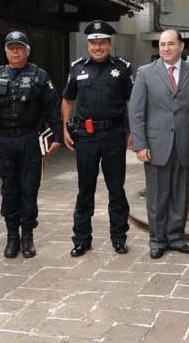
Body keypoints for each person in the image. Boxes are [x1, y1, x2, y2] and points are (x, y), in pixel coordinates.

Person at [0, 31, 63, 258]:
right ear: (6, 51)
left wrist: (58, 137)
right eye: (12, 48)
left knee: (29, 188)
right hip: (3, 142)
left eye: (20, 48)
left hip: (30, 140)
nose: (16, 52)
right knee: (9, 189)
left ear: (27, 51)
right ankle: (12, 236)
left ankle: (27, 237)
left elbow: (53, 109)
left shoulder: (40, 76)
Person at [129, 29, 189, 259]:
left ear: (181, 46)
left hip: (185, 145)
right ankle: (157, 240)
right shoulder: (145, 73)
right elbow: (136, 112)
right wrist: (140, 145)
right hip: (155, 146)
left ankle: (176, 238)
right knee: (157, 196)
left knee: (180, 195)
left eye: (171, 44)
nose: (165, 48)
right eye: (162, 44)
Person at [62, 20, 133, 257]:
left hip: (114, 135)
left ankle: (119, 238)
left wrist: (133, 131)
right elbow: (67, 99)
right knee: (85, 189)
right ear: (88, 45)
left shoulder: (123, 68)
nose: (98, 47)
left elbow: (131, 101)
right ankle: (82, 239)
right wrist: (65, 128)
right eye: (93, 43)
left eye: (102, 43)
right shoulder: (77, 68)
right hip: (86, 136)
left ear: (110, 45)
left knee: (116, 189)